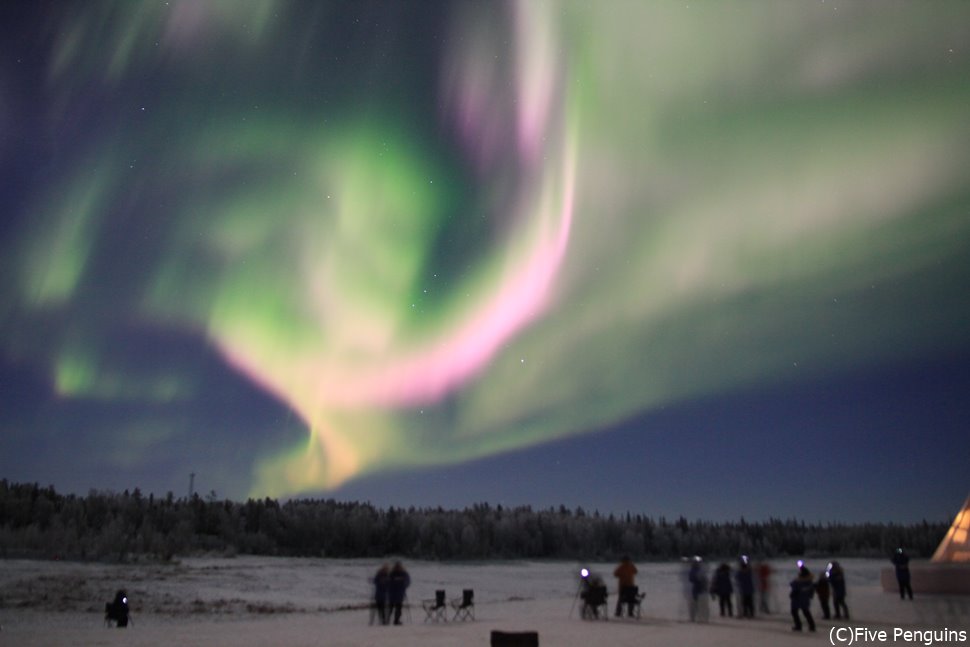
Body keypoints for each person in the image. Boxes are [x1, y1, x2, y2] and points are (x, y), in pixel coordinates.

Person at [789, 563, 816, 632]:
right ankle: (812, 626)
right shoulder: (809, 582)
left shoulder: (799, 582)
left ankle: (799, 626)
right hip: (805, 598)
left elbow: (793, 585)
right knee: (805, 611)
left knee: (795, 611)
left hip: (797, 598)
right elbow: (811, 590)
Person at [687, 556, 709, 622]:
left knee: (697, 605)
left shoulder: (698, 570)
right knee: (696, 605)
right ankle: (696, 618)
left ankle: (700, 618)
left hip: (699, 589)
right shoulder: (695, 570)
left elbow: (704, 580)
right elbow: (692, 579)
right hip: (697, 589)